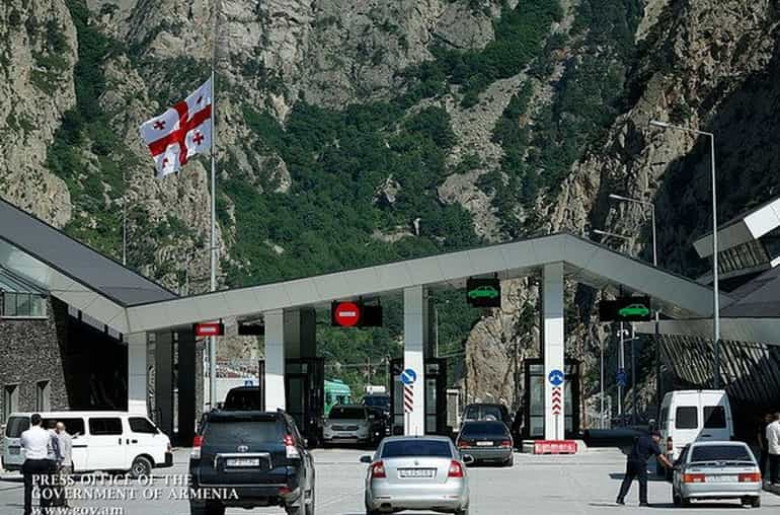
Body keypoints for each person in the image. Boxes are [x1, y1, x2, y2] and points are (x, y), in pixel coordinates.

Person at [616, 430, 672, 507]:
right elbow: (660, 457)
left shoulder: (641, 438)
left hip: (631, 461)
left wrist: (663, 465)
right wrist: (670, 465)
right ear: (654, 436)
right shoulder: (652, 443)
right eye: (659, 438)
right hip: (640, 463)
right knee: (643, 482)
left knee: (627, 480)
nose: (659, 440)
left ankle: (620, 498)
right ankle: (643, 501)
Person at [20, 414, 56, 515]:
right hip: (42, 461)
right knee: (44, 486)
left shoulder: (25, 434)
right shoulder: (46, 434)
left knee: (28, 488)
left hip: (30, 460)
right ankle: (44, 509)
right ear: (40, 422)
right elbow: (49, 446)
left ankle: (27, 510)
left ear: (31, 422)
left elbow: (22, 444)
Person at [53, 422, 72, 507]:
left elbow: (62, 453)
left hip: (63, 464)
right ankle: (67, 502)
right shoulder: (68, 436)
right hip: (68, 463)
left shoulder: (60, 438)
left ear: (57, 429)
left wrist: (59, 463)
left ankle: (61, 502)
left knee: (60, 484)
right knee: (66, 483)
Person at [767, 412, 780, 486]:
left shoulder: (769, 426)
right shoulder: (778, 426)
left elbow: (767, 437)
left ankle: (772, 479)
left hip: (771, 448)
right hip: (778, 448)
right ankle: (776, 479)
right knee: (777, 465)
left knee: (772, 465)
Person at [758, 413, 772, 479]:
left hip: (771, 445)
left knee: (772, 461)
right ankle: (762, 474)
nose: (768, 418)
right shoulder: (762, 425)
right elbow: (759, 435)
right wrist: (761, 444)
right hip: (764, 445)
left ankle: (771, 475)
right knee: (763, 461)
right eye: (767, 417)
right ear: (765, 418)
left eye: (770, 417)